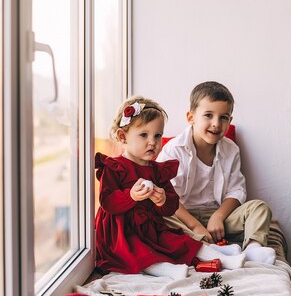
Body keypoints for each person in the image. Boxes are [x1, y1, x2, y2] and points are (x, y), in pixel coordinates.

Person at [95, 96, 246, 280]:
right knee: (138, 251)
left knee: (180, 241)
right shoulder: (114, 167)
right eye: (144, 135)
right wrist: (131, 196)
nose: (153, 142)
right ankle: (166, 270)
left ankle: (223, 258)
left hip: (151, 227)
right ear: (122, 136)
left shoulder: (157, 170)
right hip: (122, 231)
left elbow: (172, 205)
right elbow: (107, 202)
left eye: (157, 136)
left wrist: (162, 200)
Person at [157, 82, 276, 264]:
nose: (216, 124)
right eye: (208, 115)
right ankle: (211, 249)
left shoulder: (231, 149)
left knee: (259, 208)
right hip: (182, 216)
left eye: (224, 117)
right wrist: (195, 225)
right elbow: (168, 195)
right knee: (158, 217)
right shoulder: (174, 149)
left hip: (218, 218)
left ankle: (253, 248)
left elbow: (236, 191)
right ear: (191, 117)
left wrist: (218, 216)